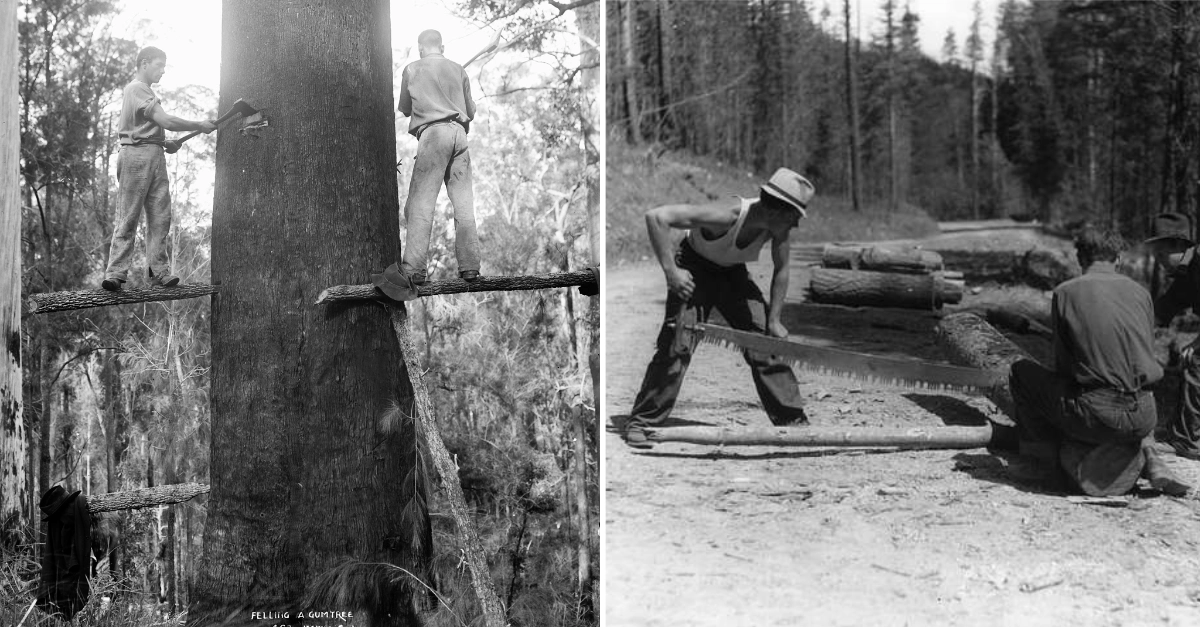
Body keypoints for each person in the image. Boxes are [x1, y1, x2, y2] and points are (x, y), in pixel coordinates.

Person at [623, 168, 814, 449]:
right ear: (778, 210)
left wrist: (774, 319)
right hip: (694, 265)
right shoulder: (726, 215)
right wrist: (671, 271)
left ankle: (792, 423)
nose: (796, 224)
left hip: (732, 274)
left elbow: (782, 269)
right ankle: (643, 422)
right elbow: (656, 217)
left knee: (765, 343)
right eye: (794, 216)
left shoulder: (779, 228)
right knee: (677, 344)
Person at [1008, 227, 1189, 496]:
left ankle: (1039, 463)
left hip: (1098, 416)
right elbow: (1141, 354)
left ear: (1081, 257)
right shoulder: (1141, 293)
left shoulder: (1066, 292)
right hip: (1145, 414)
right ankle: (1148, 456)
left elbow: (1064, 368)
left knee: (1020, 372)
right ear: (1118, 258)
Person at [102, 47, 217, 291]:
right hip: (135, 156)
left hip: (155, 154)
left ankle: (159, 272)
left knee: (160, 217)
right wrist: (199, 124)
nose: (163, 71)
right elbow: (165, 121)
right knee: (129, 215)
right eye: (159, 65)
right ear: (144, 63)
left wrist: (166, 142)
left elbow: (151, 127)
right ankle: (115, 274)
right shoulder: (136, 89)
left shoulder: (146, 92)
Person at [396, 29, 481, 291]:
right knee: (464, 205)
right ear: (441, 47)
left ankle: (413, 271)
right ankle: (470, 268)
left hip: (433, 136)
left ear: (421, 48)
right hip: (459, 136)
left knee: (420, 204)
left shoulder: (412, 70)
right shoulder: (458, 70)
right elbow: (471, 111)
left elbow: (406, 108)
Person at [1142, 212, 1200, 460]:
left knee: (1196, 363)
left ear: (1178, 245)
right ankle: (1182, 433)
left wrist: (1198, 343)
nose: (1158, 260)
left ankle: (1189, 441)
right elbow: (1163, 309)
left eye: (1161, 253)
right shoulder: (1188, 271)